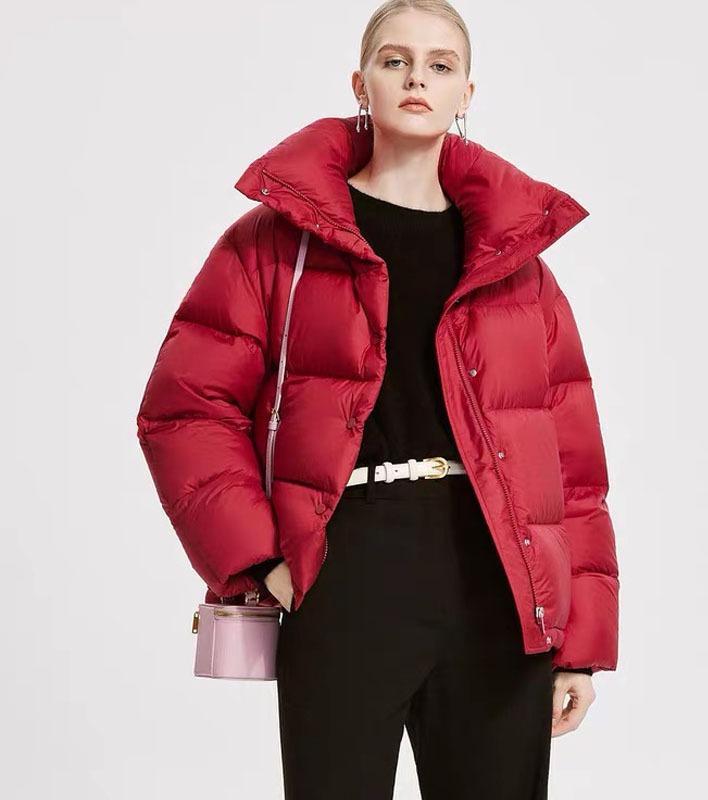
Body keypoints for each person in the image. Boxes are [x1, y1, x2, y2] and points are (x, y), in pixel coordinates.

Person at [136, 1, 619, 797]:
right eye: (395, 61)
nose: (417, 78)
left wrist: (581, 643)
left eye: (440, 65)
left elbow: (573, 467)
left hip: (499, 576)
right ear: (361, 83)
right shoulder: (276, 242)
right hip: (348, 563)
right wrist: (260, 560)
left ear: (466, 93)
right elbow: (184, 410)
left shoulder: (517, 266)